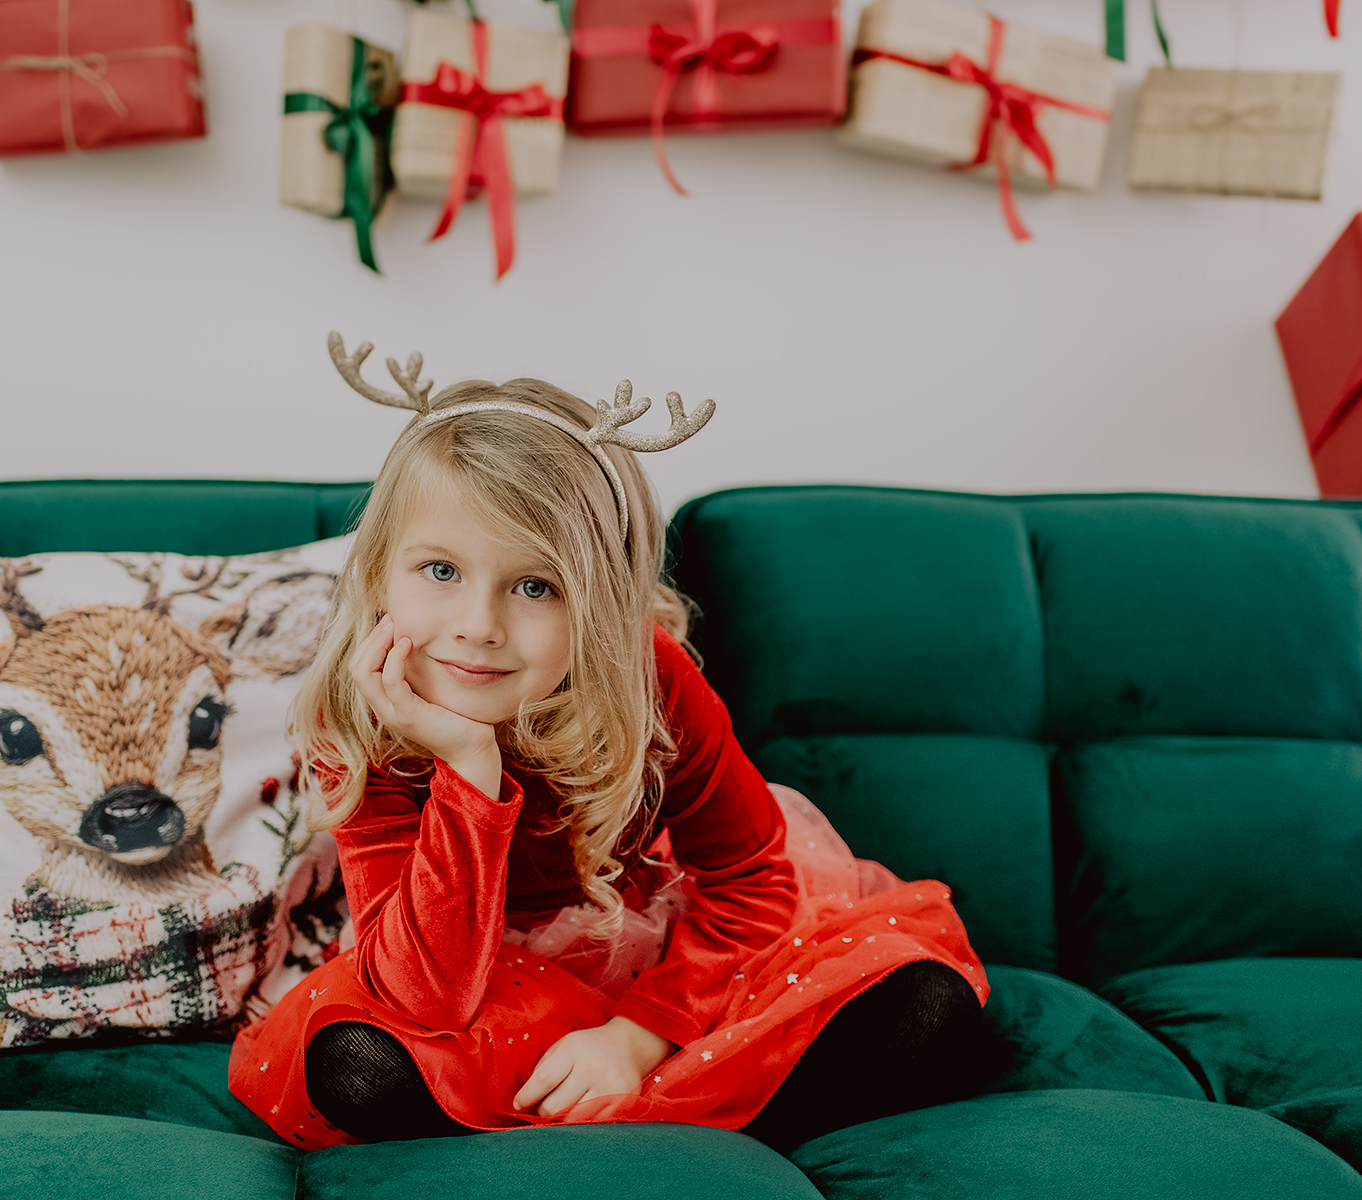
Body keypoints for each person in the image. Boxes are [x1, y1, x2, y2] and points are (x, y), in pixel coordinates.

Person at [228, 334, 994, 1150]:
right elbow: (427, 999)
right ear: (380, 572)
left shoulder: (647, 677)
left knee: (926, 1009)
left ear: (603, 601)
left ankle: (639, 1091)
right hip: (473, 984)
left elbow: (750, 878)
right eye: (440, 571)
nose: (478, 627)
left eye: (535, 586)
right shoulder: (364, 714)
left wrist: (636, 1036)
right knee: (358, 1066)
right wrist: (469, 766)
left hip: (651, 964)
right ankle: (692, 1099)